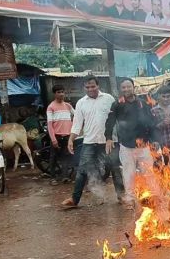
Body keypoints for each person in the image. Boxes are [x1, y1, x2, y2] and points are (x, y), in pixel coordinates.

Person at [61, 76, 123, 208]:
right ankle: (74, 199)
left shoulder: (109, 99)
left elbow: (116, 120)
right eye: (87, 87)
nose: (90, 89)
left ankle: (121, 196)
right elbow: (77, 124)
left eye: (92, 86)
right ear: (84, 88)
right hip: (89, 141)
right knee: (82, 171)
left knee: (115, 169)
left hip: (109, 142)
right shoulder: (81, 103)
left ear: (98, 86)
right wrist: (71, 139)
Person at [105, 78, 156, 209]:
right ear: (120, 90)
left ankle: (152, 197)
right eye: (124, 87)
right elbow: (110, 121)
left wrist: (154, 140)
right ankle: (130, 198)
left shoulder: (143, 103)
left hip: (144, 146)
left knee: (149, 173)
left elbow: (151, 122)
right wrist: (109, 137)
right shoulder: (117, 104)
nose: (126, 89)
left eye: (129, 87)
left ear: (134, 87)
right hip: (126, 146)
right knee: (129, 173)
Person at [46, 84, 74, 186]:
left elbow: (76, 117)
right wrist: (53, 139)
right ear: (54, 94)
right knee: (53, 157)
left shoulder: (68, 106)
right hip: (56, 136)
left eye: (62, 92)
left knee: (66, 157)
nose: (61, 94)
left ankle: (65, 176)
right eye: (58, 92)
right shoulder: (51, 107)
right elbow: (49, 125)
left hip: (67, 136)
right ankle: (53, 178)